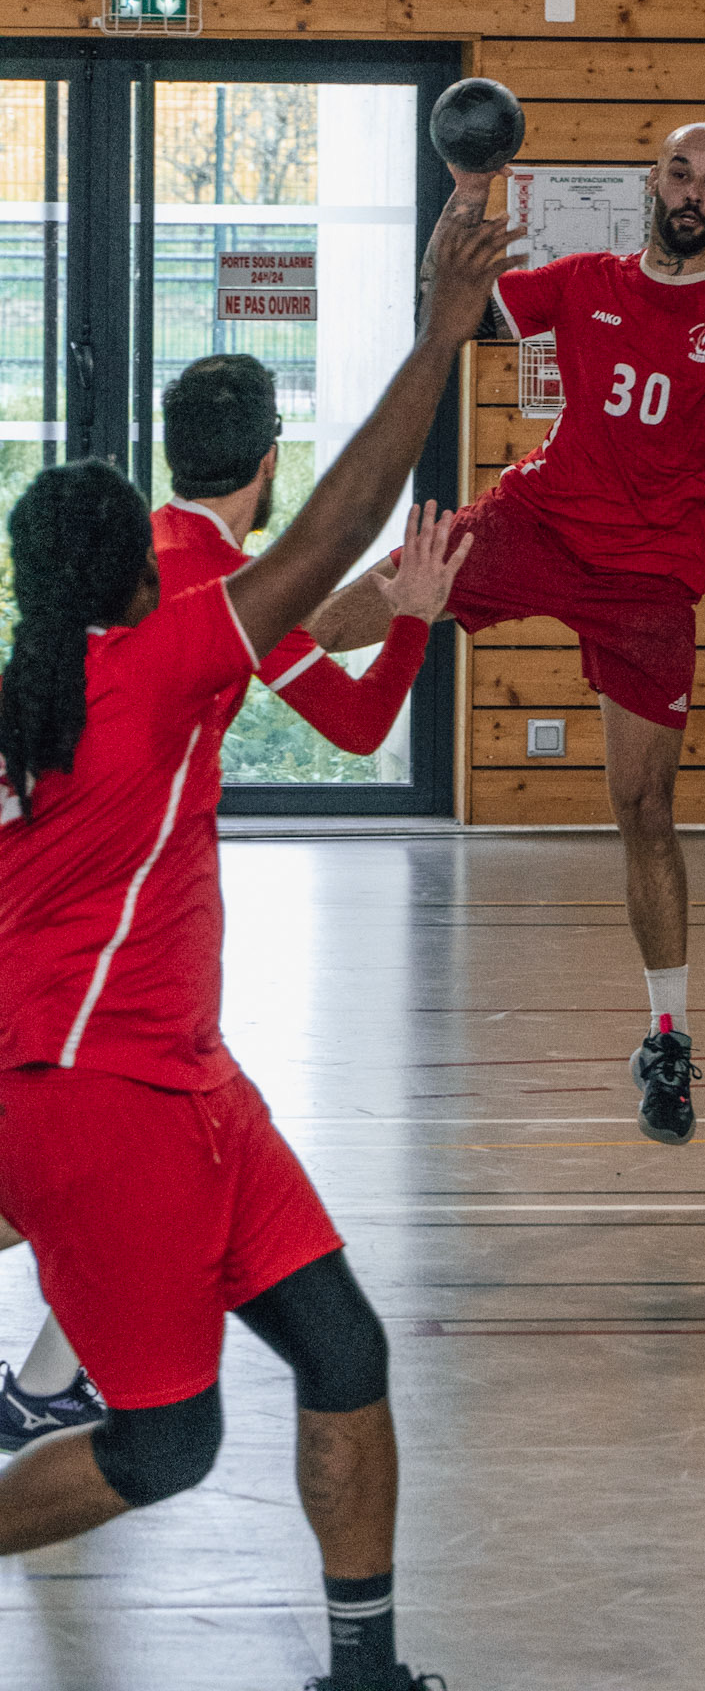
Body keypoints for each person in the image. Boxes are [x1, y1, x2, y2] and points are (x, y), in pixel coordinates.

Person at [0, 191, 512, 1691]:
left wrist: (381, 611)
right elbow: (338, 527)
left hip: (185, 1077)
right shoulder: (150, 665)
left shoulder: (54, 685)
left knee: (344, 1353)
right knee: (169, 1440)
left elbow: (313, 599)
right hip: (103, 1094)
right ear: (130, 578)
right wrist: (441, 332)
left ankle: (363, 1671)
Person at [308, 122, 705, 1147]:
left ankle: (667, 1034)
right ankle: (231, 657)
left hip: (650, 579)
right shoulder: (585, 280)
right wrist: (468, 187)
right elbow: (450, 304)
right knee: (369, 596)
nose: (695, 191)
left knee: (643, 806)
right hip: (538, 522)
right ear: (655, 181)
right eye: (681, 172)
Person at [0, 353, 453, 1455]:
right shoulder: (213, 592)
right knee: (114, 1149)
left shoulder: (133, 557)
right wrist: (411, 619)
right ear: (270, 463)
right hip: (123, 933)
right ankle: (53, 1390)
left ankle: (49, 1383)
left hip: (56, 917)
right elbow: (358, 726)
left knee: (97, 1161)